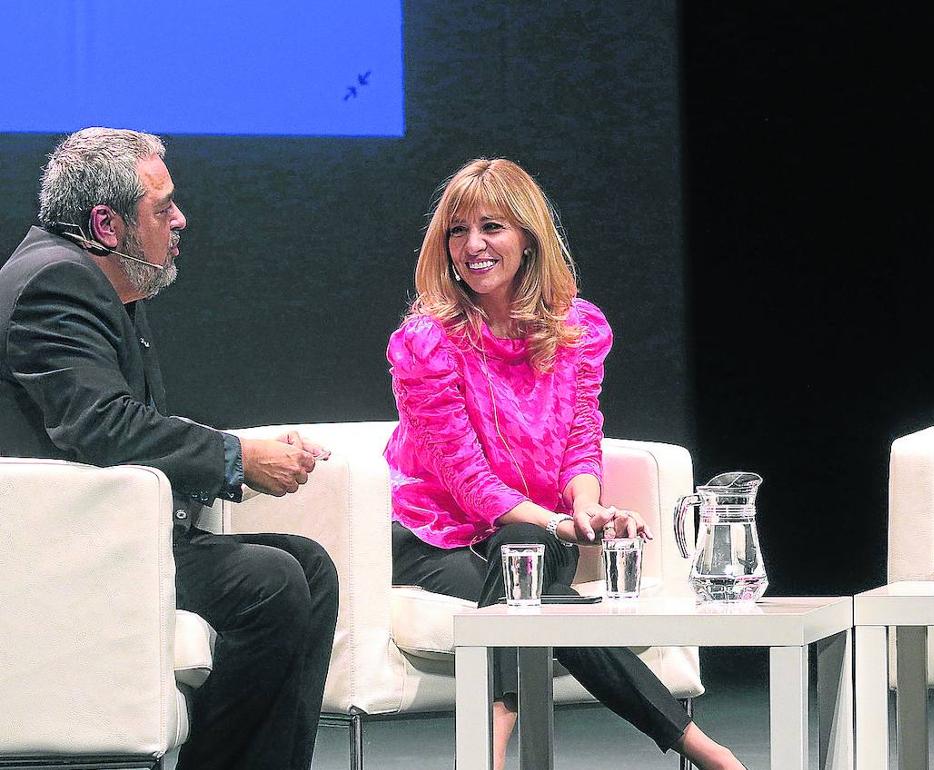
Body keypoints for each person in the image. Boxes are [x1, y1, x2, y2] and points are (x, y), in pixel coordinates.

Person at [385, 158, 746, 769]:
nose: (472, 245)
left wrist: (587, 506)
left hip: (533, 530)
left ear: (527, 238)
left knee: (522, 557)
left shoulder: (575, 330)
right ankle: (704, 751)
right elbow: (469, 484)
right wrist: (560, 526)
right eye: (457, 230)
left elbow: (580, 438)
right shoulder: (427, 344)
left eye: (491, 226)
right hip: (435, 537)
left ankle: (485, 752)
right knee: (534, 582)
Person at [0, 127, 339, 770]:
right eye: (163, 208)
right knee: (270, 583)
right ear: (106, 223)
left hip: (110, 532)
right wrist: (236, 456)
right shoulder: (56, 287)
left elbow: (125, 424)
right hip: (62, 550)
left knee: (309, 568)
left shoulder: (100, 281)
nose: (180, 220)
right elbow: (102, 426)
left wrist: (244, 452)